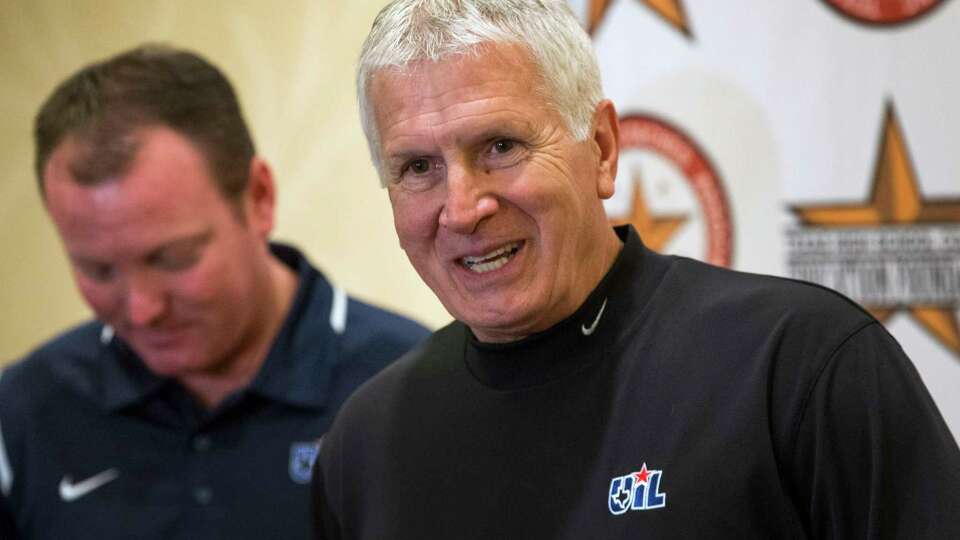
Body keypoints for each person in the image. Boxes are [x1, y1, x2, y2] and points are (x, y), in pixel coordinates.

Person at [311, 1, 960, 538]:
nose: (463, 208)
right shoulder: (364, 448)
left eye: (500, 146)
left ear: (602, 148)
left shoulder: (800, 367)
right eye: (418, 168)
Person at [0, 44, 429, 540]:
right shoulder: (24, 414)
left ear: (259, 198)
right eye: (97, 270)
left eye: (173, 258)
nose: (142, 310)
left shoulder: (410, 391)